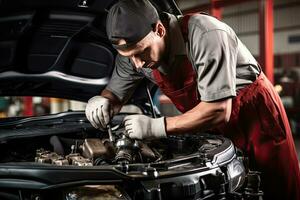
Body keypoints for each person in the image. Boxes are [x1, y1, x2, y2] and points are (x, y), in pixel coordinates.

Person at [85, 0, 300, 199]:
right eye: (128, 56)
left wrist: (155, 127)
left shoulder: (206, 34)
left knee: (277, 186)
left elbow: (218, 109)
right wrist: (102, 102)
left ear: (159, 30)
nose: (138, 64)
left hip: (255, 117)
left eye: (142, 53)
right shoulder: (134, 57)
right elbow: (114, 95)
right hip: (210, 127)